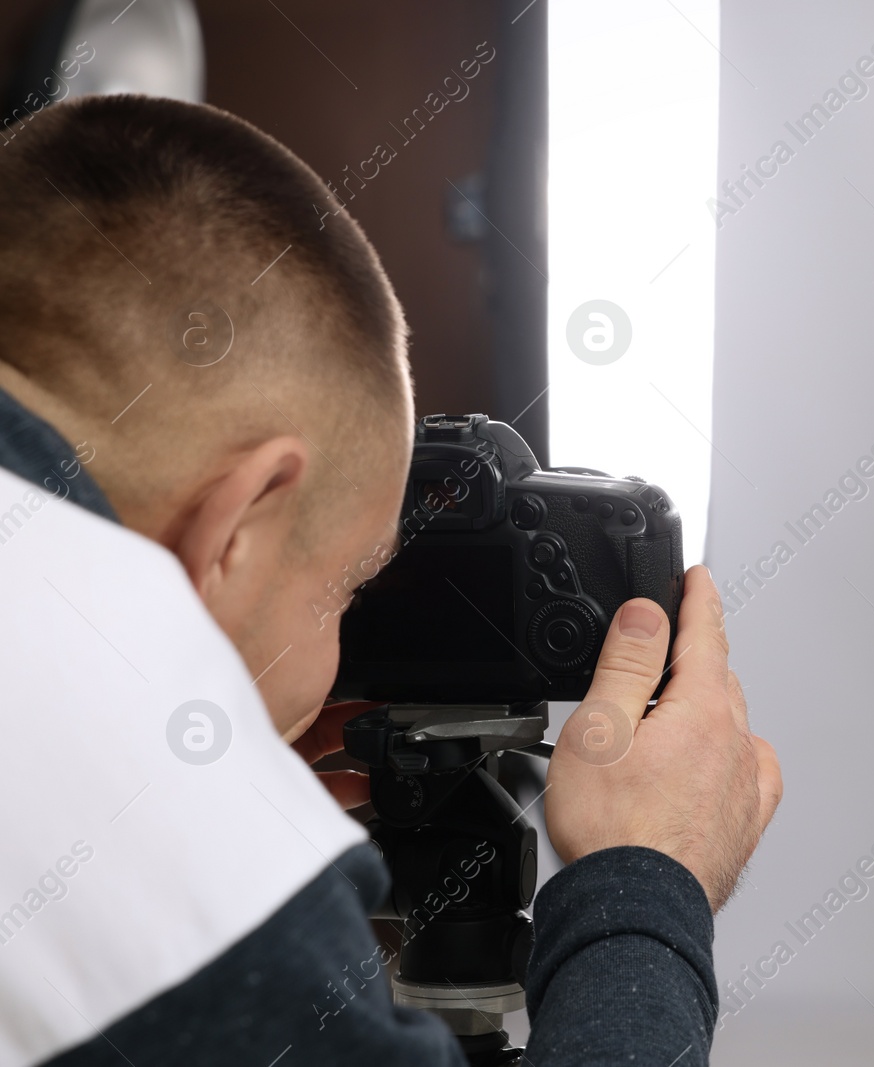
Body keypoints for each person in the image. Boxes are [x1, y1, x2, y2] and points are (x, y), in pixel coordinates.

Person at [0, 94, 780, 1067]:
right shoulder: (140, 820)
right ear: (239, 523)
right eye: (346, 587)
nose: (338, 656)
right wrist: (646, 875)